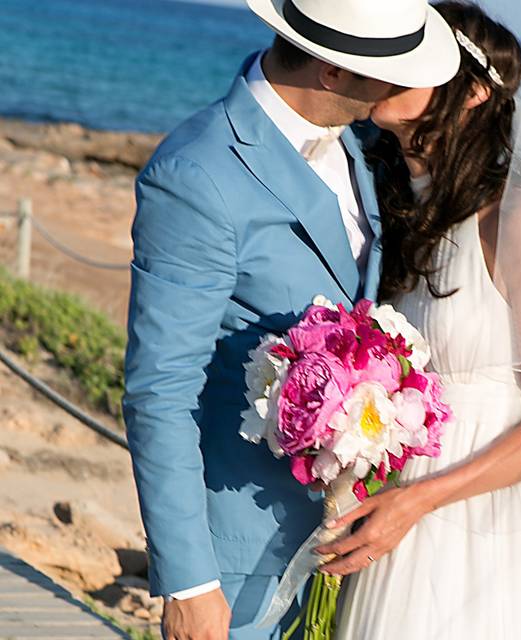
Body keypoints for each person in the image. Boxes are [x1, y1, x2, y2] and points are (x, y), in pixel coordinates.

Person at [310, 3, 521, 638]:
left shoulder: (515, 222)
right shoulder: (383, 205)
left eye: (417, 59)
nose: (391, 66)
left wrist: (416, 504)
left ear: (470, 93)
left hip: (470, 526)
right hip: (384, 503)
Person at [121, 0, 459, 637]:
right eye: (388, 70)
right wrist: (190, 580)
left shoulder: (359, 147)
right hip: (240, 556)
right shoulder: (198, 174)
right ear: (333, 73)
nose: (398, 87)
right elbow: (159, 390)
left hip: (346, 544)